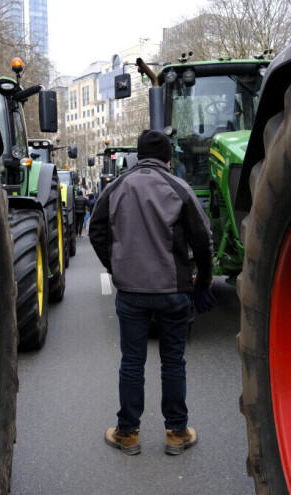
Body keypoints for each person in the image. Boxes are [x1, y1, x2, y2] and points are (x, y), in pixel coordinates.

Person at [89, 129, 216, 456]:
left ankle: (128, 434)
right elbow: (203, 241)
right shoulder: (179, 187)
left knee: (132, 362)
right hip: (174, 290)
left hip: (130, 291)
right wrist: (202, 281)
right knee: (173, 361)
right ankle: (176, 433)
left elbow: (96, 230)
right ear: (168, 158)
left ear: (137, 154)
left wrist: (114, 267)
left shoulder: (116, 187)